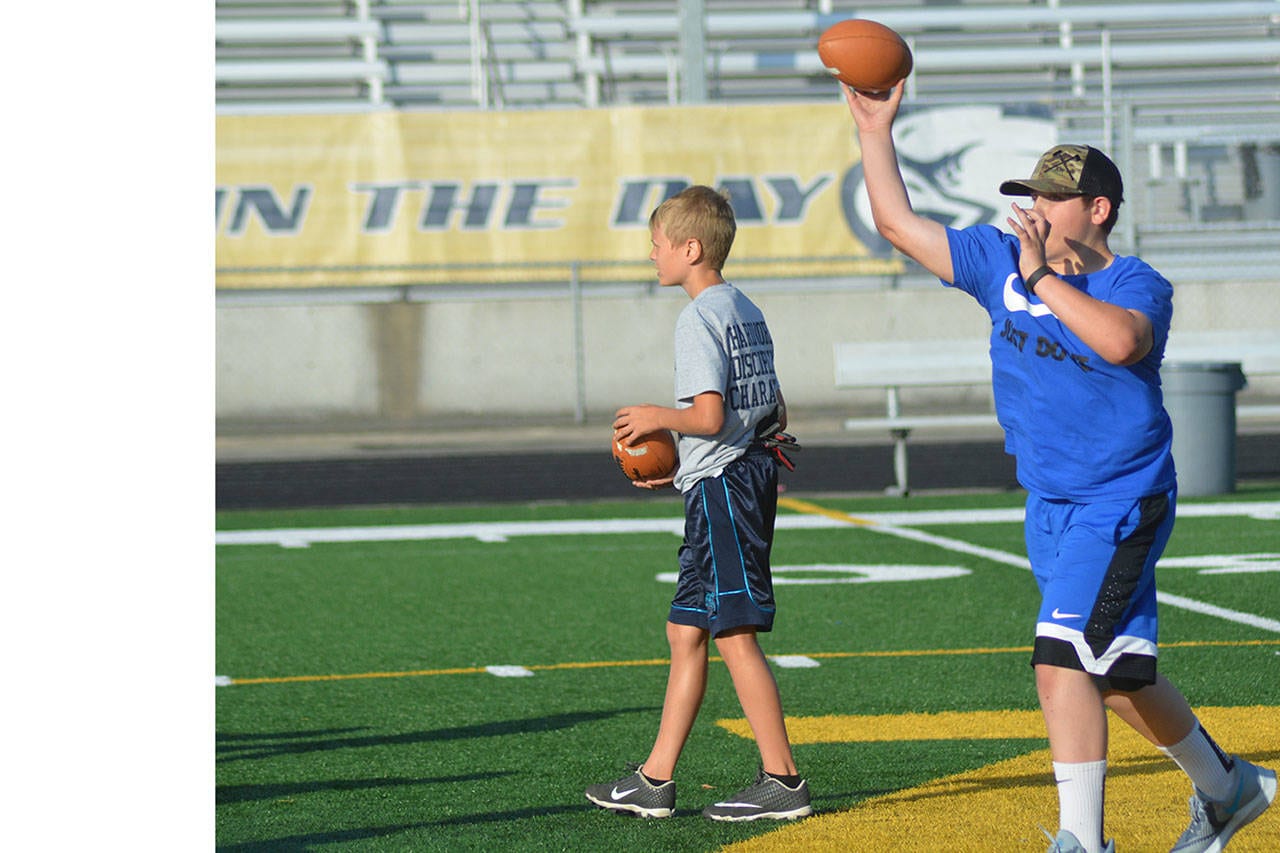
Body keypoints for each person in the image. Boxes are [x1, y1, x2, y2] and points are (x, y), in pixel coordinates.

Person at [840, 82, 1276, 853]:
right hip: (1050, 503)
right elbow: (898, 224)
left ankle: (1081, 841)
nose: (1035, 206)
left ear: (1098, 209)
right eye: (1029, 192)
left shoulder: (1133, 280)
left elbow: (1121, 343)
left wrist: (1043, 276)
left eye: (1054, 195)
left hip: (1121, 497)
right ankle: (1228, 787)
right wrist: (876, 131)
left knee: (1061, 661)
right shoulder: (999, 259)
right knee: (1117, 677)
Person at [583, 185, 811, 822]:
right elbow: (775, 411)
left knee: (733, 633)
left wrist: (657, 416)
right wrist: (687, 464)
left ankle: (783, 780)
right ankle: (655, 779)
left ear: (690, 248)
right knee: (685, 630)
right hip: (734, 477)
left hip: (725, 488)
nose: (650, 254)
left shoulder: (698, 318)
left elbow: (708, 416)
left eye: (657, 243)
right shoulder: (746, 308)